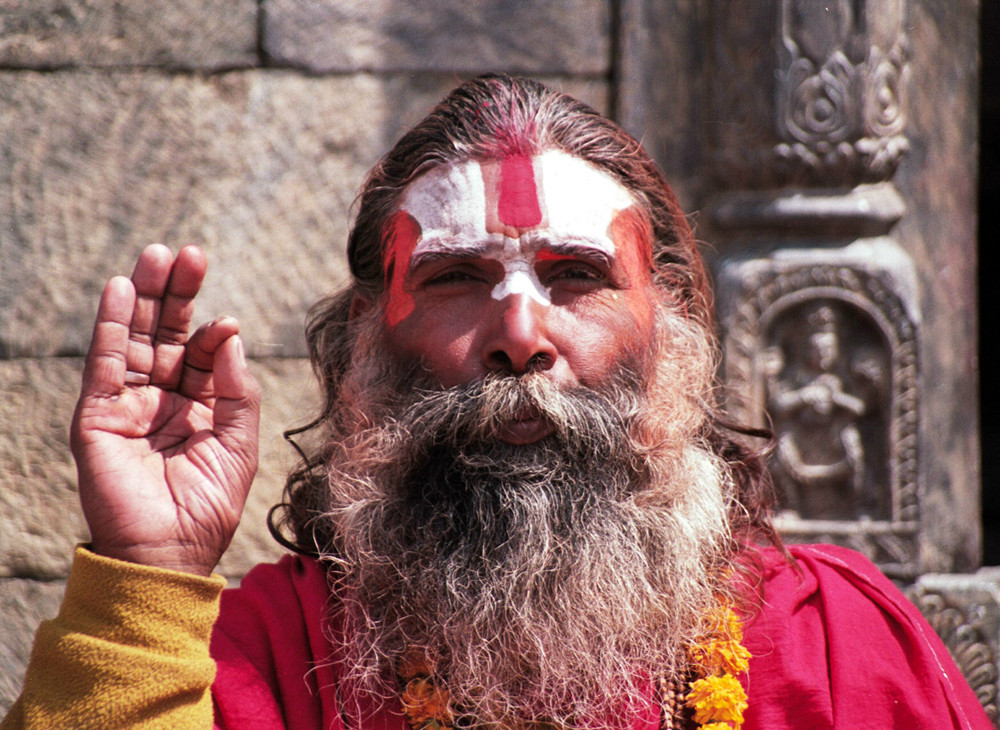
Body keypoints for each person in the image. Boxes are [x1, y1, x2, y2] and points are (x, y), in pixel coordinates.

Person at [2, 75, 990, 730]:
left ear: (675, 325)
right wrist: (147, 572)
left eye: (576, 275)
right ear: (364, 340)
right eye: (455, 277)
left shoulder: (839, 645)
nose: (519, 333)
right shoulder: (263, 659)